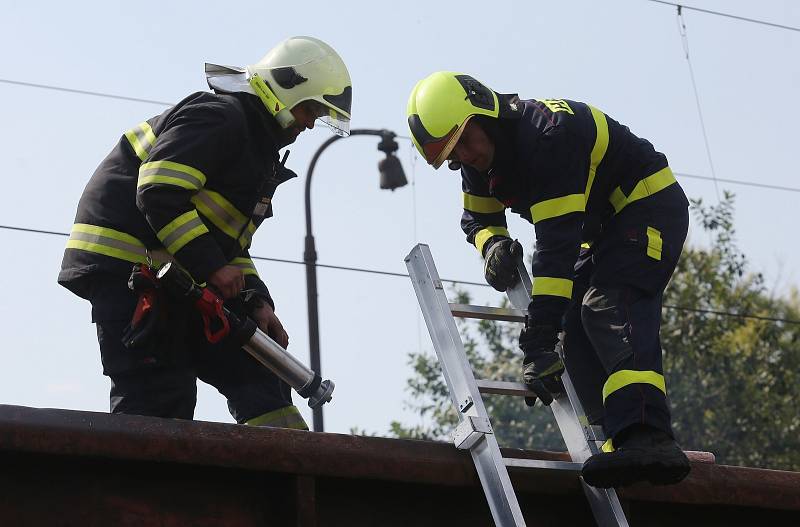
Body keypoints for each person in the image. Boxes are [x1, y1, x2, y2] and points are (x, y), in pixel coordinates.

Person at [406, 71, 691, 488]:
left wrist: (537, 340)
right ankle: (618, 439)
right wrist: (493, 246)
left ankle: (649, 436)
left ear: (486, 114)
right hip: (601, 232)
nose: (465, 156)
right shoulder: (480, 162)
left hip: (647, 207)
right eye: (453, 154)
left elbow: (556, 253)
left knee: (608, 303)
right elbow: (477, 218)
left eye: (465, 141)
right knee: (573, 328)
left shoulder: (546, 139)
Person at [58, 36, 352, 430]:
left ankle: (293, 482)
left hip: (177, 276)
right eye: (309, 109)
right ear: (286, 88)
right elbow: (158, 192)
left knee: (258, 368)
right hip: (129, 272)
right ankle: (140, 490)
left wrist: (256, 301)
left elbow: (229, 249)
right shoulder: (220, 117)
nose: (310, 123)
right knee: (160, 394)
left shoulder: (254, 149)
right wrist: (212, 267)